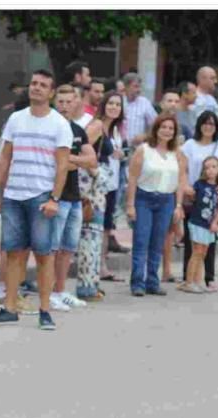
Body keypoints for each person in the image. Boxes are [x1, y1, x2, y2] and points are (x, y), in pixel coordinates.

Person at [0, 69, 72, 330]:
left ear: (51, 92)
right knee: (13, 254)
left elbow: (63, 165)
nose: (37, 88)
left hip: (41, 197)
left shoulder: (59, 124)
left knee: (44, 255)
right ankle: (9, 308)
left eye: (43, 85)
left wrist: (55, 198)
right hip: (13, 195)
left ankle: (45, 310)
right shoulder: (16, 119)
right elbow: (4, 157)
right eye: (34, 83)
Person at [125, 114, 187, 297]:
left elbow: (181, 180)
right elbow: (133, 178)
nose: (167, 131)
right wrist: (130, 205)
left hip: (166, 200)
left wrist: (179, 205)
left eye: (170, 128)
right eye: (163, 127)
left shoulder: (177, 154)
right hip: (144, 198)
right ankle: (137, 282)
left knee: (158, 242)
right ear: (156, 129)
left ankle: (152, 281)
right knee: (141, 240)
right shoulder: (144, 150)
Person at [50, 85, 98, 312]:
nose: (65, 106)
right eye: (61, 101)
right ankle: (48, 292)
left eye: (69, 102)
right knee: (51, 247)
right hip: (54, 196)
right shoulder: (48, 128)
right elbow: (58, 164)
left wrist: (70, 158)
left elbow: (92, 160)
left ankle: (60, 291)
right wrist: (73, 159)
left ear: (76, 103)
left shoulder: (78, 130)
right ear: (54, 102)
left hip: (74, 196)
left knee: (68, 247)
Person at [178, 110, 218, 290]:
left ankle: (208, 277)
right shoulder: (189, 145)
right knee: (192, 240)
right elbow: (182, 169)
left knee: (209, 240)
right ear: (199, 125)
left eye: (212, 124)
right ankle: (188, 278)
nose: (208, 127)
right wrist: (185, 187)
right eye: (205, 123)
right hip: (193, 195)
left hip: (211, 196)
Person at [86, 91, 129, 281]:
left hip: (110, 184)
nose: (114, 107)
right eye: (110, 103)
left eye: (118, 105)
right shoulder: (96, 126)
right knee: (93, 226)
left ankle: (101, 266)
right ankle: (91, 268)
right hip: (95, 185)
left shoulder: (116, 130)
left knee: (105, 227)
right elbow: (83, 148)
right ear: (103, 105)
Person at [180, 156, 218, 294]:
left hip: (208, 225)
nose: (210, 170)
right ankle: (188, 282)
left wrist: (215, 222)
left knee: (203, 253)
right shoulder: (199, 185)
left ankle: (197, 281)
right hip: (197, 223)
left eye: (214, 167)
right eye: (207, 167)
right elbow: (189, 197)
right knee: (196, 252)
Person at [122, 73, 158, 145]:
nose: (139, 90)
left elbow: (157, 124)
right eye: (135, 86)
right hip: (119, 147)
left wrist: (145, 135)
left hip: (138, 147)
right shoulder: (118, 101)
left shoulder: (144, 102)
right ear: (126, 87)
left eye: (139, 87)